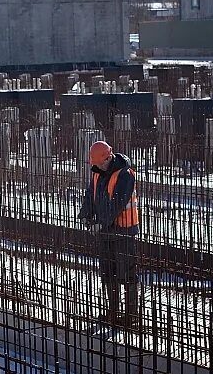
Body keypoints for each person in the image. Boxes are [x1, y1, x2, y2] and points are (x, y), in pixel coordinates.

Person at [77, 140, 141, 328]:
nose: (98, 167)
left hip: (124, 230)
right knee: (108, 273)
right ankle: (112, 312)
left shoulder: (125, 175)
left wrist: (100, 223)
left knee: (127, 274)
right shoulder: (98, 172)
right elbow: (91, 195)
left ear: (108, 157)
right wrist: (85, 215)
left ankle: (131, 316)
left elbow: (117, 204)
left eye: (100, 163)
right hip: (106, 231)